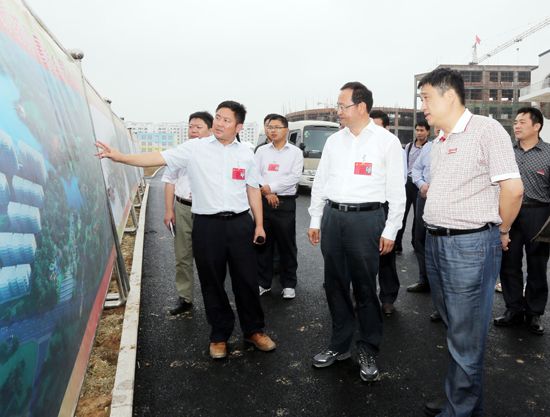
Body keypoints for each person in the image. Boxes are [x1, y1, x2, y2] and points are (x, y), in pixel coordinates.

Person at [95, 101, 276, 360]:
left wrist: (258, 224)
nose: (219, 123)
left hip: (240, 224)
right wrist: (119, 156)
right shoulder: (195, 149)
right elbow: (157, 158)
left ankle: (254, 330)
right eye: (217, 117)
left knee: (246, 280)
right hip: (207, 225)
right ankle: (219, 335)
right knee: (211, 282)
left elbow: (252, 189)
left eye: (226, 120)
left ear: (239, 126)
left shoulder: (246, 154)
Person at [418, 68, 523, 417]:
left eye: (426, 98)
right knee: (454, 329)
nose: (423, 108)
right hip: (436, 244)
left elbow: (513, 189)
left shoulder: (486, 130)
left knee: (466, 336)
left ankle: (461, 409)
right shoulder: (440, 140)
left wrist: (502, 231)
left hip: (470, 247)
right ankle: (458, 397)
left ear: (450, 96)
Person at [308, 82, 405, 382]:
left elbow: (397, 192)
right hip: (333, 219)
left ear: (361, 107)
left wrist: (391, 228)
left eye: (342, 106)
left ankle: (367, 347)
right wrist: (315, 219)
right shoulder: (335, 141)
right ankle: (340, 345)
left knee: (365, 288)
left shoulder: (386, 142)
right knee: (334, 285)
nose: (338, 111)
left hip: (367, 220)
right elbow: (320, 182)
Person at [494, 107, 549, 335]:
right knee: (509, 263)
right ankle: (513, 308)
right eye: (515, 122)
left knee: (537, 265)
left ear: (536, 126)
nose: (516, 126)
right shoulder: (507, 152)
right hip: (509, 212)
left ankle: (534, 312)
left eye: (522, 122)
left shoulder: (548, 153)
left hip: (539, 213)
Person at [162, 111, 213, 315]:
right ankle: (185, 298)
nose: (192, 130)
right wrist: (169, 210)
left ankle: (213, 297)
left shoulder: (216, 153)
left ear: (210, 130)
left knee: (210, 257)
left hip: (208, 210)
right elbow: (169, 181)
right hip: (183, 208)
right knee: (183, 255)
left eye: (198, 127)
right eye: (190, 126)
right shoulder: (181, 152)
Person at [255, 114, 303, 299]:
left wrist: (270, 188)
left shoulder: (295, 153)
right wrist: (267, 193)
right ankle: (263, 282)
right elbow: (255, 173)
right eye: (269, 127)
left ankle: (289, 284)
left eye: (276, 127)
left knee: (286, 244)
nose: (272, 130)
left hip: (285, 203)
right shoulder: (261, 151)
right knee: (263, 243)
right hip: (263, 202)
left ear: (286, 130)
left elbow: (293, 177)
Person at [370, 109, 402, 316]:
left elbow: (399, 186)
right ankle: (364, 297)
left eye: (377, 126)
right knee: (362, 256)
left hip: (385, 207)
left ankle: (388, 298)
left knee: (385, 256)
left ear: (386, 127)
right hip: (364, 211)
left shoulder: (392, 146)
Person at [394, 120, 430, 253]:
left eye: (422, 130)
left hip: (420, 185)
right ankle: (397, 244)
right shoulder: (408, 146)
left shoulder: (430, 147)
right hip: (407, 183)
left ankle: (416, 244)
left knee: (418, 217)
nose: (419, 133)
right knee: (401, 215)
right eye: (417, 130)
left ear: (427, 132)